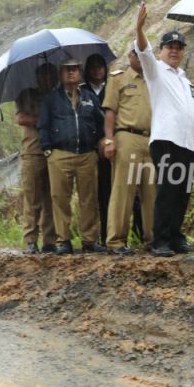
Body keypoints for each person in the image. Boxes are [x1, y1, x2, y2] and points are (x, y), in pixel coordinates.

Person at [134, 1, 194, 257]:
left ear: (183, 52)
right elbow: (144, 52)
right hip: (165, 139)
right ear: (163, 50)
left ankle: (175, 236)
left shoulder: (185, 80)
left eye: (179, 47)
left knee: (182, 192)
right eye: (170, 47)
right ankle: (160, 239)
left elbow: (193, 112)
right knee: (167, 189)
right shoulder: (156, 71)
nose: (174, 51)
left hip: (186, 143)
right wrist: (139, 28)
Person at [38, 58, 107, 254]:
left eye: (75, 69)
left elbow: (100, 122)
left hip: (87, 155)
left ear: (80, 72)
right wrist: (47, 150)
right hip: (60, 154)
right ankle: (63, 241)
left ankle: (90, 240)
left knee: (89, 198)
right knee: (60, 198)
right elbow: (43, 125)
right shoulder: (51, 99)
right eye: (67, 69)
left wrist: (100, 142)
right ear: (60, 74)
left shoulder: (88, 97)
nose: (71, 73)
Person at [101, 47, 156, 255]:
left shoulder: (155, 79)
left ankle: (152, 239)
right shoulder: (118, 78)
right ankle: (116, 241)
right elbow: (109, 112)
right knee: (123, 190)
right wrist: (108, 140)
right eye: (136, 54)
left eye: (144, 55)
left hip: (151, 139)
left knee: (151, 192)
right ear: (130, 56)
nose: (141, 59)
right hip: (127, 136)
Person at [15, 63, 58, 254]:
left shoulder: (59, 95)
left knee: (52, 198)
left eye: (51, 75)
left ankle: (50, 241)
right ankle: (31, 240)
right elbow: (21, 118)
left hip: (56, 151)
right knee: (32, 198)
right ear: (38, 77)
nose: (48, 79)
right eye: (44, 75)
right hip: (32, 151)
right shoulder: (26, 94)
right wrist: (44, 119)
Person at [85, 53, 112, 245]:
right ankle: (91, 238)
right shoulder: (82, 91)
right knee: (90, 195)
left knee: (109, 193)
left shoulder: (112, 88)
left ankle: (108, 236)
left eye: (100, 66)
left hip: (110, 147)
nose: (97, 70)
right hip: (88, 147)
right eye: (93, 66)